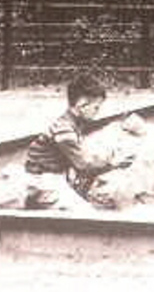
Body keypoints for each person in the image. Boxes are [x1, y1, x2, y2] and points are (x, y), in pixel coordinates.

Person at [11, 74, 134, 211]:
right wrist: (113, 163)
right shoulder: (65, 130)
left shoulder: (70, 124)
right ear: (82, 104)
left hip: (51, 177)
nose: (97, 112)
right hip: (43, 182)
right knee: (86, 214)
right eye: (96, 108)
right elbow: (84, 166)